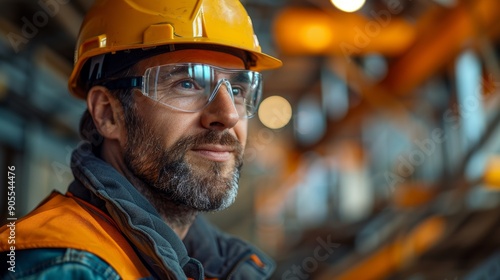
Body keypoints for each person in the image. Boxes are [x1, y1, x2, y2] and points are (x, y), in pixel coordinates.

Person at [0, 0, 282, 278]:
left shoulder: (212, 264)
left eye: (237, 90)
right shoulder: (65, 267)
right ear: (108, 114)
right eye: (187, 84)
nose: (229, 115)